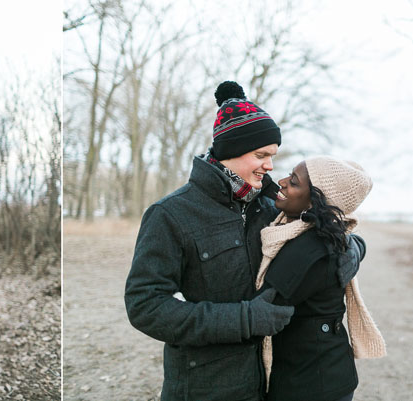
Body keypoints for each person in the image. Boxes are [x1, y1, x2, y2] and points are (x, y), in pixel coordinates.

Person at [125, 81, 360, 401]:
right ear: (230, 152)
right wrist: (244, 319)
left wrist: (352, 250)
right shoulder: (171, 214)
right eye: (261, 155)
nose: (270, 165)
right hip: (204, 389)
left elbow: (326, 227)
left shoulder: (267, 208)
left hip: (268, 385)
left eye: (272, 155)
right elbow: (145, 307)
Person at [253, 156, 386, 401]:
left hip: (311, 384)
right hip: (321, 372)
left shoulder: (311, 251)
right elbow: (354, 241)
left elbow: (262, 310)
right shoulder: (320, 234)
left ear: (315, 202)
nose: (282, 182)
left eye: (293, 182)